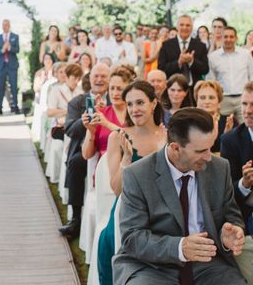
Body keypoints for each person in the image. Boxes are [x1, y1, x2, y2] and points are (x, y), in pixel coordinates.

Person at [113, 108, 247, 285]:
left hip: (208, 264)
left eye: (211, 147)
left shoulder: (220, 168)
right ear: (175, 148)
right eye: (201, 151)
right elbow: (132, 238)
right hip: (152, 266)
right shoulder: (137, 175)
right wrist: (180, 247)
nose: (209, 157)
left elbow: (231, 215)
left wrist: (228, 236)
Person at [96, 81, 167, 285]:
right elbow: (117, 189)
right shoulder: (117, 137)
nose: (134, 109)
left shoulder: (169, 136)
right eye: (130, 104)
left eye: (140, 103)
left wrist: (163, 152)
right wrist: (126, 160)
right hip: (128, 207)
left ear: (153, 104)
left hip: (163, 208)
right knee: (110, 237)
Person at [60, 63, 111, 239]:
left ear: (109, 79)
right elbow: (69, 130)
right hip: (85, 149)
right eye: (96, 76)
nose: (99, 80)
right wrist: (85, 122)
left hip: (109, 150)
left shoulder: (116, 100)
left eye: (104, 76)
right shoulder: (78, 102)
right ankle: (75, 217)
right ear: (89, 79)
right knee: (75, 163)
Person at [220, 81, 253, 283]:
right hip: (247, 212)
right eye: (244, 104)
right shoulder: (231, 140)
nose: (248, 111)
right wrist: (244, 184)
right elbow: (226, 191)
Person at [81, 67, 133, 161]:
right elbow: (86, 155)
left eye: (119, 89)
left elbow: (136, 143)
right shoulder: (101, 114)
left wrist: (107, 124)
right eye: (111, 88)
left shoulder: (135, 113)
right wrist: (91, 132)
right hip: (104, 169)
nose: (114, 93)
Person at [207, 26, 253, 123]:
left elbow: (251, 76)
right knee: (221, 127)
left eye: (231, 37)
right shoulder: (213, 57)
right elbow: (212, 80)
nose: (228, 39)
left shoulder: (245, 54)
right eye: (226, 36)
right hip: (224, 99)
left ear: (236, 38)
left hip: (243, 98)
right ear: (222, 38)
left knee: (247, 126)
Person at [157, 14, 209, 85]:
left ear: (192, 27)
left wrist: (192, 61)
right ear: (177, 26)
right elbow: (161, 69)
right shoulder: (166, 45)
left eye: (188, 25)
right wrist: (179, 62)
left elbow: (205, 69)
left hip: (194, 88)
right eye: (182, 25)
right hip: (173, 89)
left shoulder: (200, 45)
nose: (184, 27)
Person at [194, 80, 237, 153]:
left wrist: (227, 138)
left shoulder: (230, 122)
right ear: (197, 102)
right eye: (202, 98)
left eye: (211, 97)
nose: (207, 101)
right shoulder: (189, 123)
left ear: (219, 102)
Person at [47, 64, 82, 141]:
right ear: (67, 77)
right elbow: (50, 112)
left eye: (78, 79)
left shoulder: (81, 92)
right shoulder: (56, 90)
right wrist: (71, 111)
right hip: (60, 130)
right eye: (74, 78)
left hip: (76, 130)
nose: (76, 82)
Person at [0, 19, 20, 115]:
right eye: (3, 25)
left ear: (9, 25)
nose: (5, 26)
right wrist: (2, 50)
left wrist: (10, 48)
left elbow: (17, 49)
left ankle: (15, 106)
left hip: (12, 66)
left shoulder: (15, 36)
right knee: (0, 87)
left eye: (7, 25)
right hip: (1, 66)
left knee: (13, 86)